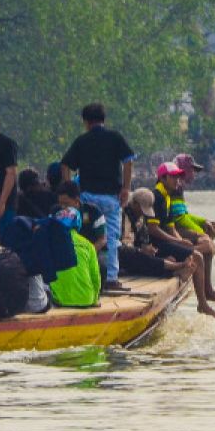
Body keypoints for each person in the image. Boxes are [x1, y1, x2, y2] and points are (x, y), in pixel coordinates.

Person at [60, 103, 135, 292]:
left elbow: (65, 164)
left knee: (83, 235)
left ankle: (82, 274)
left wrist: (69, 191)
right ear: (104, 120)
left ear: (86, 122)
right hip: (111, 198)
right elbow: (128, 160)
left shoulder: (81, 141)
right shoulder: (115, 137)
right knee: (111, 238)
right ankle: (111, 279)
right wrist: (126, 188)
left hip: (87, 198)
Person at [119, 188, 215, 318]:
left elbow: (144, 239)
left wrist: (149, 249)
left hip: (141, 251)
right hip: (128, 255)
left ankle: (176, 268)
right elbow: (125, 246)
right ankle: (177, 268)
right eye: (141, 210)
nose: (143, 214)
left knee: (165, 258)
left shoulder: (142, 216)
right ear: (135, 204)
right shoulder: (124, 216)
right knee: (144, 259)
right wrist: (142, 250)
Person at [149, 162, 215, 304]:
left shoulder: (166, 196)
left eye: (178, 178)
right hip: (158, 244)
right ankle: (203, 302)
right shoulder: (157, 197)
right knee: (198, 254)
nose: (177, 181)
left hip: (168, 240)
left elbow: (171, 225)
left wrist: (181, 241)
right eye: (173, 177)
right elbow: (154, 229)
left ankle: (205, 292)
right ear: (163, 178)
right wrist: (185, 239)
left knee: (200, 250)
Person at [44, 207, 102, 308]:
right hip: (87, 299)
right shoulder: (88, 245)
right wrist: (95, 299)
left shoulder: (49, 242)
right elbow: (95, 278)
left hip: (60, 300)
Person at [172, 153, 215, 239]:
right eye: (192, 170)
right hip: (171, 229)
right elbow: (180, 219)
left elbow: (184, 215)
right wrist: (201, 232)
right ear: (184, 170)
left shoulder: (178, 187)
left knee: (213, 226)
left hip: (176, 226)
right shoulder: (176, 188)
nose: (194, 174)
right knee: (206, 241)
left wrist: (203, 221)